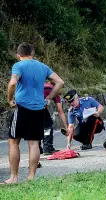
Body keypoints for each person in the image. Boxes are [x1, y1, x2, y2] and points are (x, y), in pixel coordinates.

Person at [2, 42, 64, 184]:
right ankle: (31, 178)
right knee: (34, 143)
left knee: (13, 141)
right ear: (32, 53)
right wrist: (48, 98)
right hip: (38, 109)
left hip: (22, 107)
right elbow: (60, 82)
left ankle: (14, 178)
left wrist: (10, 99)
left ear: (18, 55)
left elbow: (12, 83)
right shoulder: (42, 66)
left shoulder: (18, 66)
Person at [39, 80, 68, 155]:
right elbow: (60, 111)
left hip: (27, 105)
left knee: (36, 126)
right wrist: (66, 127)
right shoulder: (54, 91)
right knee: (47, 126)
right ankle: (47, 147)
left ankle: (37, 148)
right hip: (39, 107)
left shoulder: (42, 84)